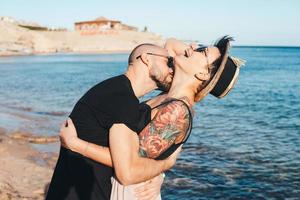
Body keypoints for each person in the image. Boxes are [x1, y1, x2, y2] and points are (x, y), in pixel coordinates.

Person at [59, 36, 245, 199]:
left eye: (202, 51)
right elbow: (171, 43)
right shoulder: (169, 95)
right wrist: (192, 50)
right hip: (121, 187)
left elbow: (129, 168)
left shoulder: (177, 111)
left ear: (203, 73)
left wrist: (76, 144)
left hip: (132, 193)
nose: (193, 47)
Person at [46, 43, 184, 200]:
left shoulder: (117, 91)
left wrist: (156, 175)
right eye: (169, 62)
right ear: (146, 59)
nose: (172, 69)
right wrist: (166, 164)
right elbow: (127, 169)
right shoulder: (121, 99)